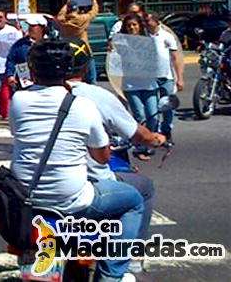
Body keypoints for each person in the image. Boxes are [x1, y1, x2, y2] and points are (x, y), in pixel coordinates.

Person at [10, 38, 144, 282]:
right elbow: (102, 158)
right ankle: (112, 275)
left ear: (32, 70)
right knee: (133, 201)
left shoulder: (18, 100)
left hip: (27, 199)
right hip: (71, 202)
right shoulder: (82, 106)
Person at [65, 37, 166, 275]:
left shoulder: (26, 97)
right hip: (83, 186)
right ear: (86, 66)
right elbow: (128, 139)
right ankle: (128, 262)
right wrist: (156, 139)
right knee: (142, 190)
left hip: (35, 185)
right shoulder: (93, 97)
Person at [117, 13, 159, 161]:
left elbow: (155, 60)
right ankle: (141, 146)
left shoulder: (148, 41)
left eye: (134, 25)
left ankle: (151, 141)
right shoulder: (122, 43)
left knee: (152, 114)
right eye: (129, 26)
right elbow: (116, 62)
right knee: (139, 115)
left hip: (149, 84)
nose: (132, 28)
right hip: (131, 85)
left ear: (140, 26)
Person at [144, 13, 184, 144]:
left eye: (148, 21)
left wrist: (180, 78)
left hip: (166, 77)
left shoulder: (167, 36)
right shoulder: (141, 37)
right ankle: (153, 134)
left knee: (167, 106)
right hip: (149, 78)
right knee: (151, 108)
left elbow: (175, 57)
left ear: (156, 22)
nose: (146, 23)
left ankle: (167, 132)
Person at [0, 14, 47, 119]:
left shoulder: (50, 43)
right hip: (25, 81)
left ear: (42, 28)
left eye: (33, 26)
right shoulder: (20, 44)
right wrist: (10, 75)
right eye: (29, 26)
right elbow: (11, 60)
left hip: (45, 81)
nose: (30, 28)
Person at [57, 0, 100, 83]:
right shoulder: (81, 19)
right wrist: (94, 0)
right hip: (83, 49)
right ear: (77, 10)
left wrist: (66, 4)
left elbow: (60, 15)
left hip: (68, 51)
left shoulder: (63, 21)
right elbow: (93, 12)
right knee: (91, 78)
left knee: (69, 77)